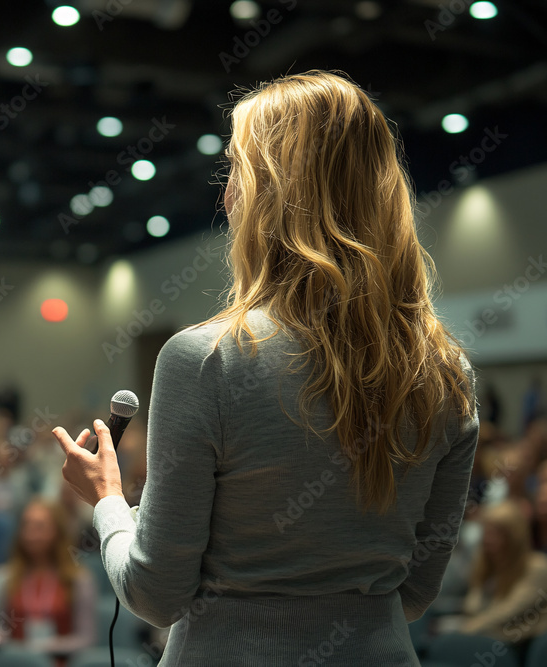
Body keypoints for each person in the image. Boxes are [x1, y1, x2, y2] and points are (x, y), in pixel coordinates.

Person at [53, 70, 479, 666]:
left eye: (235, 169)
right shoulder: (445, 371)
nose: (225, 192)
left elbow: (155, 594)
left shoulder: (206, 358)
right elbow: (414, 593)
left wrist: (106, 502)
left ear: (269, 193)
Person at [0, 499, 96, 666]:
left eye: (39, 527)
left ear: (57, 532)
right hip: (13, 662)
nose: (31, 534)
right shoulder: (5, 576)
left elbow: (87, 639)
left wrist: (43, 647)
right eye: (26, 526)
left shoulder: (78, 579)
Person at [452, 499, 547, 642]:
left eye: (495, 534)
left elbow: (508, 611)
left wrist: (469, 627)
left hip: (515, 644)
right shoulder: (487, 565)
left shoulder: (538, 567)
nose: (487, 539)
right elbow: (471, 606)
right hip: (483, 634)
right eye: (486, 532)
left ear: (514, 538)